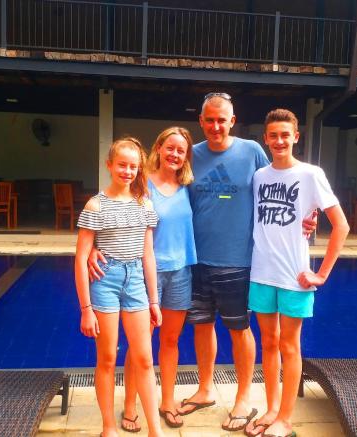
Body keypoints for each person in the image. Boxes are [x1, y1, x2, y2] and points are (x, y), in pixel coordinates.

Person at [244, 109, 349, 437]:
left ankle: (285, 419)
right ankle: (271, 410)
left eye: (285, 135)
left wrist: (322, 274)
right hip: (261, 273)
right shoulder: (259, 176)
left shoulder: (310, 174)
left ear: (296, 137)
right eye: (273, 135)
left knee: (289, 347)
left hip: (295, 277)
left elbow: (341, 226)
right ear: (266, 138)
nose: (279, 141)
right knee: (268, 344)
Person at [88, 127, 197, 431]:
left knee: (170, 340)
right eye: (169, 147)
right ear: (158, 148)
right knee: (141, 348)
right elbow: (112, 210)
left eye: (181, 150)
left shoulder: (189, 186)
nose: (174, 154)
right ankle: (129, 406)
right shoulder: (141, 181)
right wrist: (94, 247)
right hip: (143, 272)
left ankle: (167, 402)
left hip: (180, 270)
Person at [178, 92, 269, 432]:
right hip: (196, 260)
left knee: (239, 329)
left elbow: (275, 188)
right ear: (201, 121)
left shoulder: (252, 151)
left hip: (237, 261)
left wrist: (306, 216)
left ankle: (243, 398)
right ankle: (205, 389)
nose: (216, 126)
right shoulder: (191, 155)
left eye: (222, 120)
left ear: (232, 121)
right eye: (210, 120)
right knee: (202, 326)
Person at [74, 137, 165, 437]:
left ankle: (155, 430)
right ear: (109, 165)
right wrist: (86, 309)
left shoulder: (144, 204)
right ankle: (109, 427)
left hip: (136, 281)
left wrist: (154, 300)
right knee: (108, 359)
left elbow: (148, 255)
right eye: (122, 165)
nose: (127, 171)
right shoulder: (95, 205)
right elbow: (81, 258)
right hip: (105, 282)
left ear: (139, 169)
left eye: (133, 166)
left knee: (145, 359)